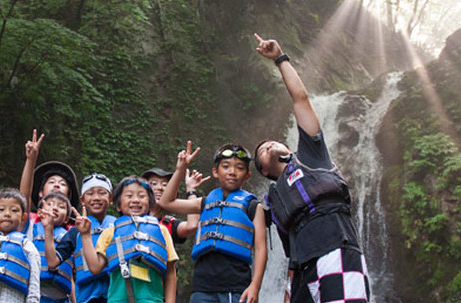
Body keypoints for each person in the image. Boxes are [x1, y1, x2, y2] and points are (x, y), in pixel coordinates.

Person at [252, 34, 369, 303]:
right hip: (303, 267)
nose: (269, 145)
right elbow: (288, 247)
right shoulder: (273, 198)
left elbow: (301, 100)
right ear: (264, 171)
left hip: (335, 247)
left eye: (272, 142)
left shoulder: (311, 155)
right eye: (262, 151)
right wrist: (287, 289)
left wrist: (280, 59)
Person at [158, 142, 268, 303]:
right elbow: (166, 202)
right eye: (226, 166)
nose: (232, 172)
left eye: (239, 167)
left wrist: (255, 286)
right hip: (202, 285)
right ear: (215, 172)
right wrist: (181, 169)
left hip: (236, 285)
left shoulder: (253, 206)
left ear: (247, 175)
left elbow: (260, 248)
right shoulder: (204, 202)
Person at [78, 176, 179, 303]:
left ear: (150, 203)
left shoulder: (161, 231)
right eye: (129, 196)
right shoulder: (110, 232)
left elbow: (170, 272)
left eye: (142, 196)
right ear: (118, 206)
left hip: (152, 300)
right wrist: (85, 235)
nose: (136, 200)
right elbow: (95, 267)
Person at [44, 173, 117, 303]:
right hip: (86, 298)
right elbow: (52, 262)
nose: (96, 198)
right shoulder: (75, 231)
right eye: (90, 193)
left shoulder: (119, 227)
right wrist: (49, 229)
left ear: (111, 199)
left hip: (116, 295)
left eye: (102, 193)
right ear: (82, 200)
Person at [18, 130, 81, 229]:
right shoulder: (30, 221)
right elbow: (24, 195)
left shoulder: (74, 230)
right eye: (51, 182)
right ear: (40, 193)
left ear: (68, 197)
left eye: (63, 184)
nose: (57, 185)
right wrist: (31, 160)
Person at [32, 192, 75, 303]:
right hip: (34, 294)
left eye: (61, 207)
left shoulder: (69, 237)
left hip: (61, 297)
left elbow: (70, 277)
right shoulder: (31, 229)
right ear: (39, 212)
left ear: (66, 219)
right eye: (50, 204)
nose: (55, 208)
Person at [141, 168, 199, 243]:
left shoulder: (169, 224)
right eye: (154, 184)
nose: (159, 188)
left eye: (165, 185)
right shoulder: (132, 217)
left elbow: (192, 226)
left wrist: (191, 190)